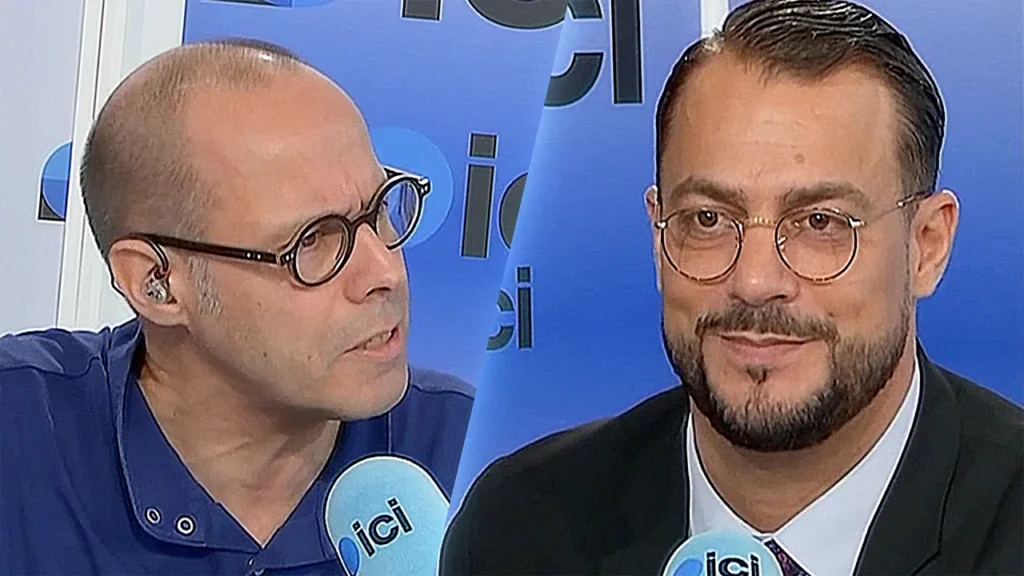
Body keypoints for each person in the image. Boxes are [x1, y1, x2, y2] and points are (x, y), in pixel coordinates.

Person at [440, 1, 1023, 575]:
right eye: (709, 220)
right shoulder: (517, 530)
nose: (755, 281)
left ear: (926, 245)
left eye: (820, 223)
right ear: (657, 234)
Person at [1, 39, 473, 575]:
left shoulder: (469, 454)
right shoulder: (19, 432)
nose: (385, 273)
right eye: (312, 241)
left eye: (381, 210)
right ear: (157, 282)